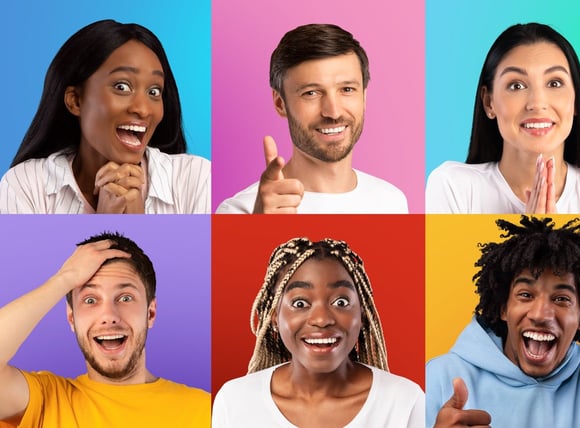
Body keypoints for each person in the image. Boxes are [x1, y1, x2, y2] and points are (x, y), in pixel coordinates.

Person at [424, 216, 580, 427]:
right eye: (526, 295)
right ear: (503, 308)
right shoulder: (441, 376)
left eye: (561, 299)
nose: (540, 314)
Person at [426, 23, 580, 214]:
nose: (537, 103)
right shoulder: (454, 187)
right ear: (488, 102)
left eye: (554, 83)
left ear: (576, 100)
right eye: (516, 85)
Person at [0, 233, 210, 427]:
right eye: (90, 300)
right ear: (71, 318)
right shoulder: (46, 401)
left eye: (125, 298)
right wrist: (65, 278)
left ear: (150, 313)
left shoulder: (206, 410)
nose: (109, 316)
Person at [1, 20, 210, 214]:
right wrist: (105, 224)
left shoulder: (195, 179)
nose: (143, 109)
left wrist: (139, 224)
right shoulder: (26, 185)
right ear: (76, 100)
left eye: (154, 91)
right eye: (122, 87)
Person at [212, 238, 425, 427]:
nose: (322, 319)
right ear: (274, 316)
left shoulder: (404, 401)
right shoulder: (234, 401)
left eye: (341, 302)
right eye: (300, 303)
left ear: (361, 314)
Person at [217, 24, 409, 214]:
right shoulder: (241, 212)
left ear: (364, 97)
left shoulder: (392, 201)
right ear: (280, 104)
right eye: (311, 93)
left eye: (347, 89)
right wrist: (261, 233)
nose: (333, 112)